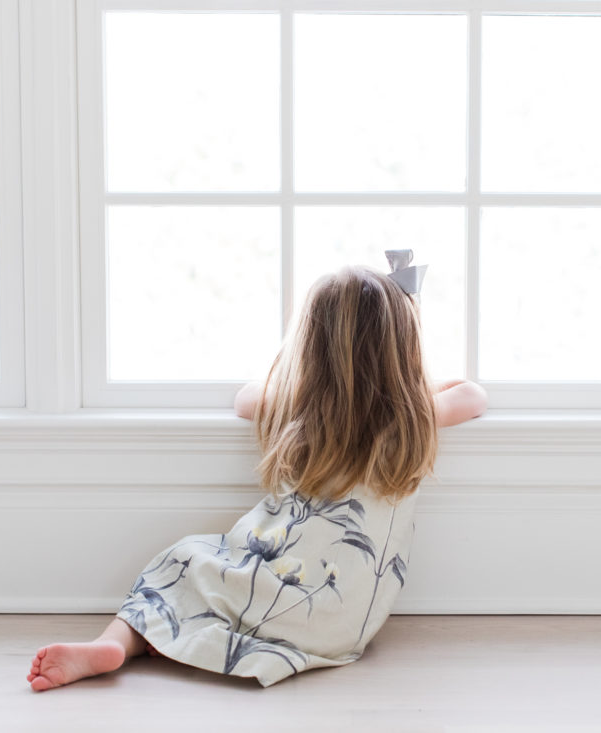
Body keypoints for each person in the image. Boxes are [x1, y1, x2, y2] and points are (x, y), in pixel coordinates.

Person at [26, 264, 487, 691]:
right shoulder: (415, 419)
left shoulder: (297, 410)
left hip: (271, 583)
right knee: (214, 584)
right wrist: (407, 384)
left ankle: (116, 643)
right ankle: (175, 640)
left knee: (183, 559)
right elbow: (473, 395)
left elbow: (245, 398)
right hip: (343, 618)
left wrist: (299, 386)